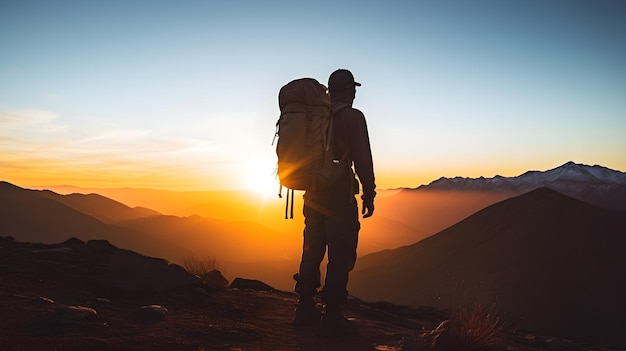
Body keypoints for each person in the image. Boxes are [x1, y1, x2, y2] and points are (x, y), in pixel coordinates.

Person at [292, 69, 376, 337]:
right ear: (349, 89)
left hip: (313, 192)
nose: (354, 93)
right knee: (341, 252)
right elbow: (363, 157)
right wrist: (369, 192)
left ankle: (304, 306)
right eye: (354, 88)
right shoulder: (353, 117)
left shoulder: (315, 116)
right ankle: (332, 313)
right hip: (339, 195)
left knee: (312, 246)